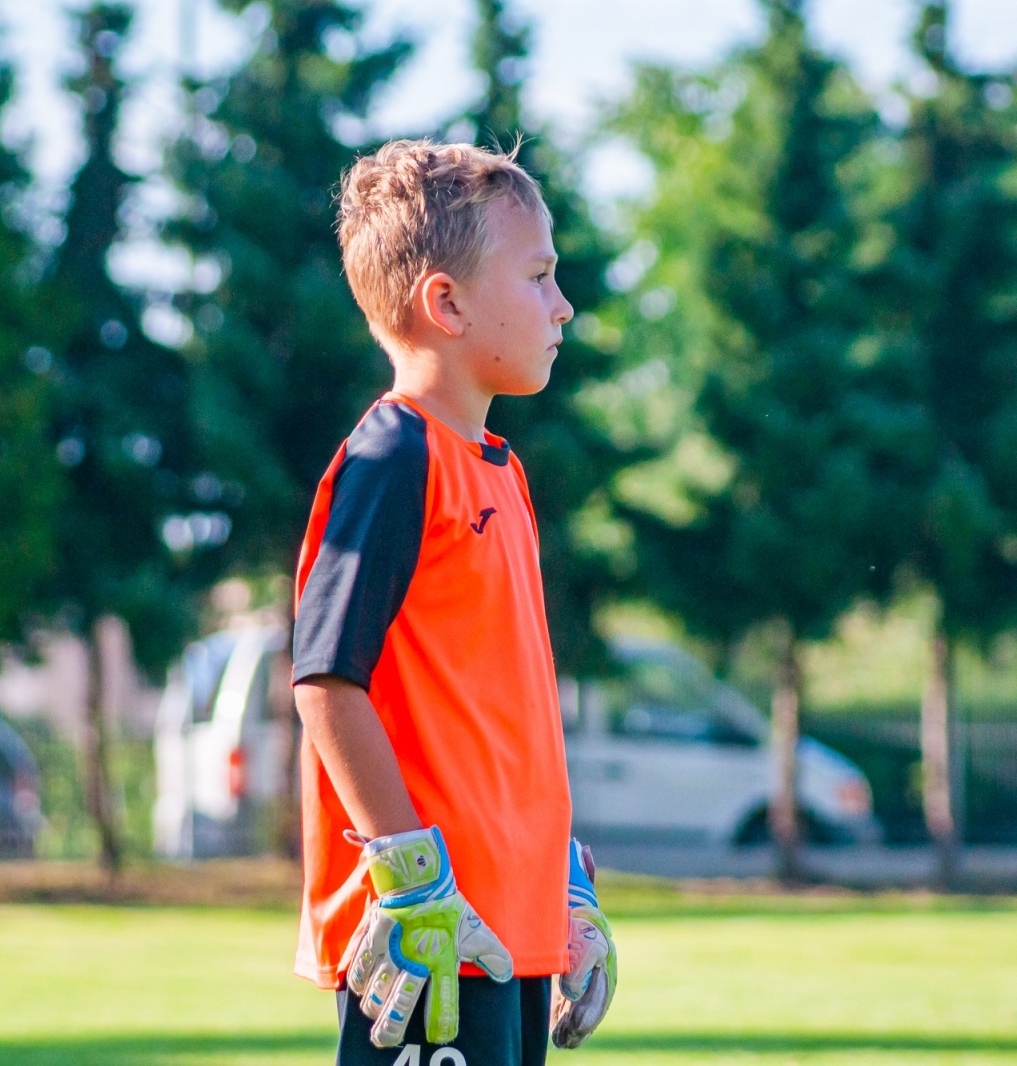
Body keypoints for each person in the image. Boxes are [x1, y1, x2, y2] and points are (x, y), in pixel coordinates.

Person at [290, 140, 618, 1066]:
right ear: (447, 304)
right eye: (542, 276)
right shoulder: (395, 459)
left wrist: (562, 881)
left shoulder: (504, 478)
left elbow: (502, 724)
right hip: (434, 942)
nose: (564, 305)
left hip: (507, 939)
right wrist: (410, 880)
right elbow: (324, 678)